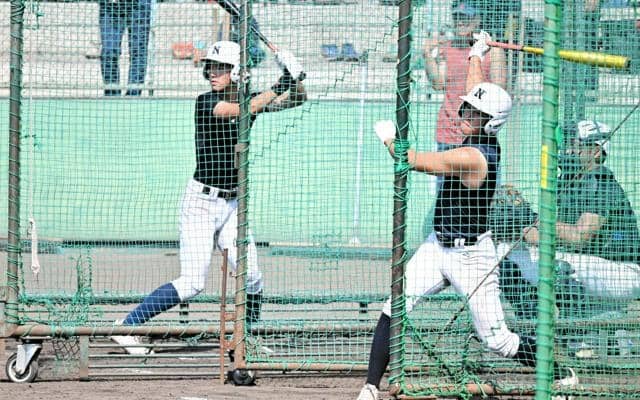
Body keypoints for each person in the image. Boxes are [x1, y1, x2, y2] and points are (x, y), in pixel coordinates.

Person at [356, 32, 576, 400]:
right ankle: (370, 386)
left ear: (490, 123)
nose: (465, 114)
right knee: (394, 305)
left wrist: (389, 140)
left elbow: (416, 161)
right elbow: (476, 88)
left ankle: (556, 371)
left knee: (499, 341)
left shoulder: (474, 157)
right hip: (437, 245)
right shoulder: (476, 131)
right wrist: (477, 53)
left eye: (475, 113)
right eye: (468, 109)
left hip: (472, 256)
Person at [111, 40, 307, 354]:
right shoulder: (207, 102)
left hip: (233, 204)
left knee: (253, 277)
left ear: (238, 72)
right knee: (192, 282)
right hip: (201, 204)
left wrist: (292, 72)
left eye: (222, 68)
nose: (213, 73)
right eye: (211, 67)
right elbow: (243, 109)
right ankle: (127, 326)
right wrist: (282, 81)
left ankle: (245, 338)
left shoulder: (250, 100)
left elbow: (298, 99)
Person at [497, 120, 640, 332]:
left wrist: (532, 218)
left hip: (621, 272)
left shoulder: (602, 182)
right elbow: (552, 235)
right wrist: (517, 225)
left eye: (575, 145)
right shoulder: (569, 182)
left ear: (596, 151)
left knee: (558, 267)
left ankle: (577, 334)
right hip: (586, 265)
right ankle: (531, 330)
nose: (568, 151)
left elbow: (579, 236)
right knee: (506, 255)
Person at [422, 0, 506, 235]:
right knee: (447, 196)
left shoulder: (493, 50)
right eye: (457, 17)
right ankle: (444, 240)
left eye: (466, 17)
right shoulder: (447, 48)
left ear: (477, 20)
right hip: (449, 132)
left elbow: (499, 89)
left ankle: (481, 239)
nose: (461, 22)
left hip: (479, 137)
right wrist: (427, 55)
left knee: (483, 198)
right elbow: (438, 83)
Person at [99, 0, 153, 96]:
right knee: (109, 51)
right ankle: (112, 93)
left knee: (138, 51)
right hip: (110, 7)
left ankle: (134, 94)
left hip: (139, 6)